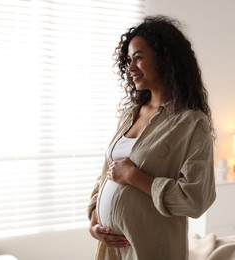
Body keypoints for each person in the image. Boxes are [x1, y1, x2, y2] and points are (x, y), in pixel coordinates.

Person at [87, 15, 216, 260]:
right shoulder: (130, 115)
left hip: (150, 249)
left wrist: (134, 176)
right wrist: (94, 223)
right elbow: (105, 173)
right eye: (128, 61)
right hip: (111, 250)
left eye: (138, 58)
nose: (131, 68)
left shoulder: (190, 123)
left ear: (165, 59)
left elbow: (195, 200)